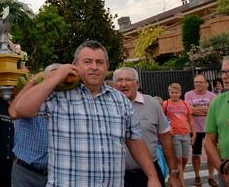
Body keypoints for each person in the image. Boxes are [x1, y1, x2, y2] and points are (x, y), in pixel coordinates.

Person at [14, 40, 160, 186]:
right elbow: (21, 109)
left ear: (107, 67)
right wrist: (56, 76)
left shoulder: (120, 101)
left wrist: (152, 176)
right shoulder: (58, 96)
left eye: (100, 62)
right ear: (75, 65)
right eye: (88, 62)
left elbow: (134, 140)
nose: (94, 67)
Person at [113, 67, 181, 187]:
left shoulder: (152, 104)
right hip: (116, 176)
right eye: (119, 80)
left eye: (128, 80)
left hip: (149, 175)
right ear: (114, 84)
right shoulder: (106, 106)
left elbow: (166, 139)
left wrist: (174, 173)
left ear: (137, 84)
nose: (123, 84)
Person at [8, 65, 57, 187]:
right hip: (25, 172)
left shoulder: (63, 103)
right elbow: (14, 112)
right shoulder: (30, 99)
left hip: (54, 174)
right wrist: (33, 81)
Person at [205, 55, 229, 186]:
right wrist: (223, 171)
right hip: (227, 171)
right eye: (223, 71)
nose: (225, 76)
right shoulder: (217, 102)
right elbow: (209, 142)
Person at [185, 74, 217, 186]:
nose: (197, 84)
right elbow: (189, 110)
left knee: (211, 154)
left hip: (210, 128)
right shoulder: (188, 94)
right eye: (196, 82)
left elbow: (213, 111)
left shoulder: (212, 95)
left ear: (206, 83)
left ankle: (211, 176)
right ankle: (197, 176)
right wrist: (206, 110)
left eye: (200, 82)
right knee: (196, 154)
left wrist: (196, 109)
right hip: (195, 129)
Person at [163, 82, 196, 187]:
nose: (174, 95)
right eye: (172, 92)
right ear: (169, 93)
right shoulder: (166, 104)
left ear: (180, 93)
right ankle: (182, 184)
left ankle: (176, 176)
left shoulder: (185, 104)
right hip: (174, 135)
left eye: (176, 92)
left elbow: (190, 119)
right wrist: (169, 129)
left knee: (185, 159)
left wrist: (194, 133)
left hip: (185, 133)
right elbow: (162, 119)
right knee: (179, 160)